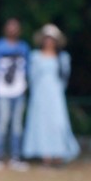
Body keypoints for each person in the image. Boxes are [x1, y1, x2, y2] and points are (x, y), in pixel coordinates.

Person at [21, 24, 78, 166]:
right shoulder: (35, 56)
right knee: (41, 123)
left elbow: (64, 78)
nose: (49, 41)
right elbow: (32, 77)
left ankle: (59, 154)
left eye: (52, 39)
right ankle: (45, 156)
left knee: (58, 123)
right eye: (46, 38)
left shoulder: (63, 58)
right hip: (40, 95)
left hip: (56, 95)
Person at [0, 18, 30, 171]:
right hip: (2, 92)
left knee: (17, 125)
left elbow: (27, 68)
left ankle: (16, 157)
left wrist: (23, 84)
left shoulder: (24, 47)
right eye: (10, 27)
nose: (13, 30)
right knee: (2, 122)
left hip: (19, 91)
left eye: (15, 27)